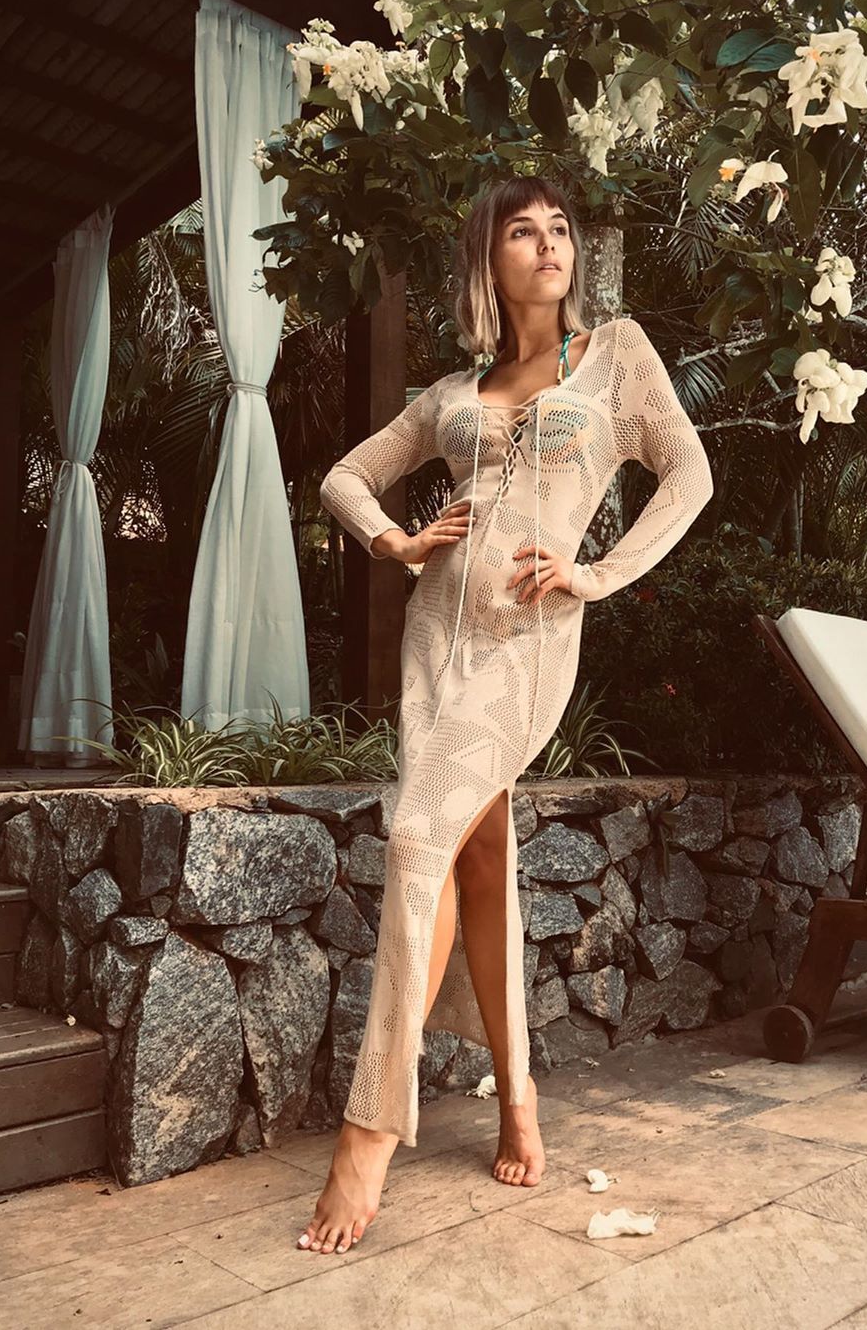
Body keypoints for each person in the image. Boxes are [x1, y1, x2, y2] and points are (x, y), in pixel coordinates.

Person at [300, 175, 713, 1254]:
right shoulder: (450, 391)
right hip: (433, 640)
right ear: (489, 259)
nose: (548, 245)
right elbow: (345, 478)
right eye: (523, 232)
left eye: (559, 229)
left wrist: (597, 574)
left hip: (526, 642)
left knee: (415, 837)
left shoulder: (616, 356)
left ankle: (369, 1131)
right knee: (476, 853)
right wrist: (397, 543)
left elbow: (689, 477)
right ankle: (518, 1093)